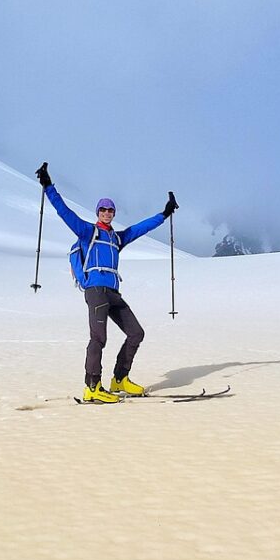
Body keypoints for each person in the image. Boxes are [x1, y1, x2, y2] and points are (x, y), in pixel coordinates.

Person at [36, 162, 179, 403]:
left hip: (112, 292)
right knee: (98, 338)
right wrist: (48, 185)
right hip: (96, 290)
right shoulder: (87, 232)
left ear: (114, 214)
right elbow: (64, 211)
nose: (106, 213)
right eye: (103, 209)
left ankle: (120, 379)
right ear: (97, 212)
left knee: (136, 333)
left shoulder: (116, 238)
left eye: (110, 210)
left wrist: (164, 214)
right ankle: (92, 386)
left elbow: (141, 228)